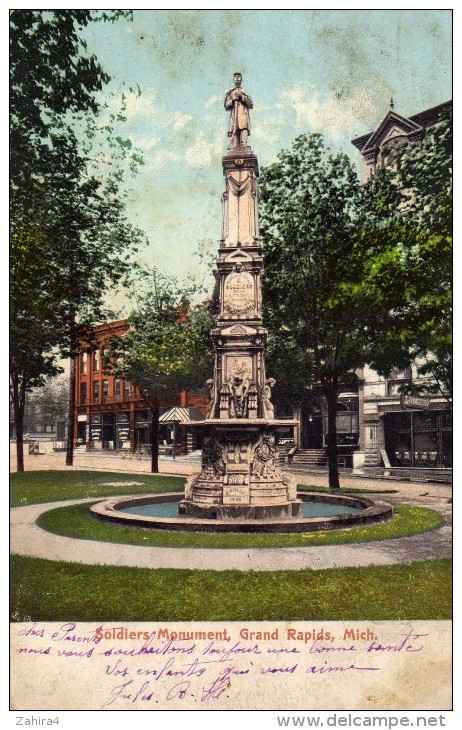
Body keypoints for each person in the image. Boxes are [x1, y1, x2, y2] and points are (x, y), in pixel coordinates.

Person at [224, 72, 253, 149]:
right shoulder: (230, 92)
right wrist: (232, 100)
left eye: (239, 77)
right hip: (234, 114)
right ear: (233, 79)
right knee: (235, 128)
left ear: (241, 79)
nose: (237, 78)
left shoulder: (244, 91)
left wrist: (242, 97)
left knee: (244, 127)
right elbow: (226, 106)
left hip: (243, 113)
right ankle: (234, 145)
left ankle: (243, 144)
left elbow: (250, 104)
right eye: (235, 77)